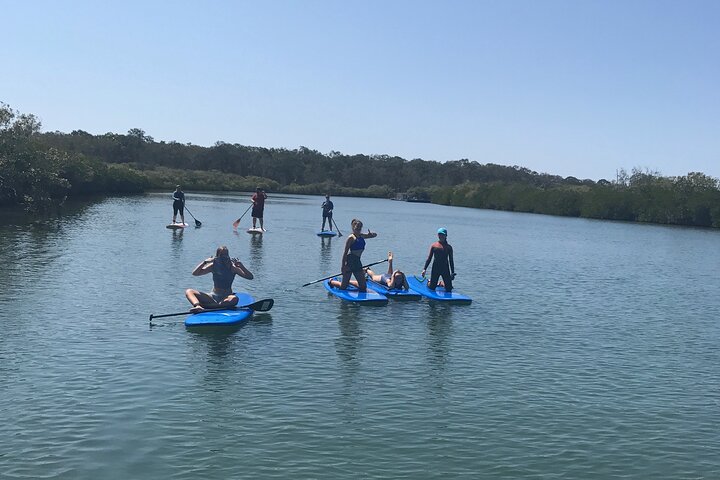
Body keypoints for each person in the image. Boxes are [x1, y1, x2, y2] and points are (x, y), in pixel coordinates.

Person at [185, 246, 254, 312]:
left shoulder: (232, 268)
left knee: (234, 299)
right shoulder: (213, 266)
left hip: (226, 297)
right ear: (218, 256)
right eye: (222, 255)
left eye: (226, 255)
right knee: (189, 291)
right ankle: (198, 306)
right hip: (213, 296)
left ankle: (210, 306)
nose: (224, 257)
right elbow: (195, 273)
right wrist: (204, 262)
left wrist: (241, 266)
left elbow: (250, 277)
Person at [330, 218, 377, 292]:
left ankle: (349, 282)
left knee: (363, 286)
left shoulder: (361, 236)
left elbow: (375, 235)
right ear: (353, 227)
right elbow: (345, 252)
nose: (358, 229)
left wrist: (371, 234)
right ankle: (331, 282)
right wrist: (343, 266)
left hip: (357, 261)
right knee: (343, 287)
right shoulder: (351, 238)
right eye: (356, 227)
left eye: (360, 228)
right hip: (350, 260)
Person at [421, 227, 455, 292]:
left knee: (449, 288)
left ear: (446, 236)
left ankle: (441, 283)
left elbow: (451, 260)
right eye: (440, 234)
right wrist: (424, 269)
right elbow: (429, 258)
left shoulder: (449, 247)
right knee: (432, 287)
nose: (441, 236)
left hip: (445, 268)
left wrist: (452, 272)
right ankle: (429, 281)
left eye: (443, 234)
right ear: (438, 235)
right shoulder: (434, 245)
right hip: (435, 268)